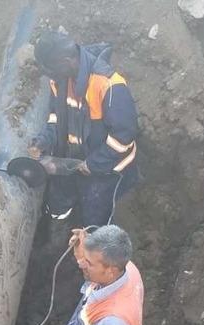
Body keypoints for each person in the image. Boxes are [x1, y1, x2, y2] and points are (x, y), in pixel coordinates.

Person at [29, 32, 140, 227]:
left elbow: (124, 138)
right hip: (76, 159)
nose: (49, 75)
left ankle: (90, 244)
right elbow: (56, 117)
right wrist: (44, 140)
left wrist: (93, 164)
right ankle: (56, 227)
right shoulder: (60, 80)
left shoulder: (109, 85)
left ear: (66, 61)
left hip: (106, 169)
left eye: (51, 70)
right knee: (57, 200)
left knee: (95, 220)